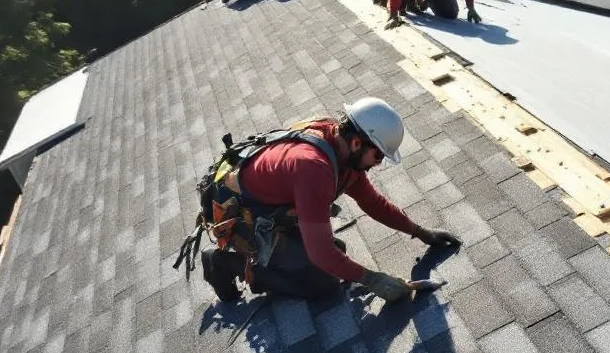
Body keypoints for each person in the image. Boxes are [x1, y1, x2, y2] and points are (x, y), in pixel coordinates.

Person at [195, 98, 462, 303]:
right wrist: (373, 280)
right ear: (358, 143)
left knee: (337, 253)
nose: (378, 164)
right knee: (323, 281)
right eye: (378, 156)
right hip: (243, 215)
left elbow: (372, 202)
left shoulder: (340, 144)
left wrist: (421, 232)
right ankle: (223, 263)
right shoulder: (314, 167)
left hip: (270, 205)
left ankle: (278, 253)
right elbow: (321, 254)